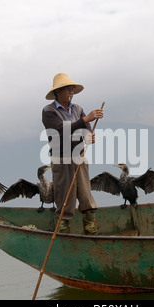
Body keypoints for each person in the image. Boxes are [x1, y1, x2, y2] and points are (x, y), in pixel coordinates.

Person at [42, 73, 103, 235]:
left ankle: (91, 230)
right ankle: (64, 233)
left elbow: (85, 127)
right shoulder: (49, 111)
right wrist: (85, 120)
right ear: (57, 92)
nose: (71, 92)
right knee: (64, 198)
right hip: (61, 159)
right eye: (68, 89)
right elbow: (59, 130)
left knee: (85, 194)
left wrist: (88, 135)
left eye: (72, 89)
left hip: (79, 156)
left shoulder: (77, 109)